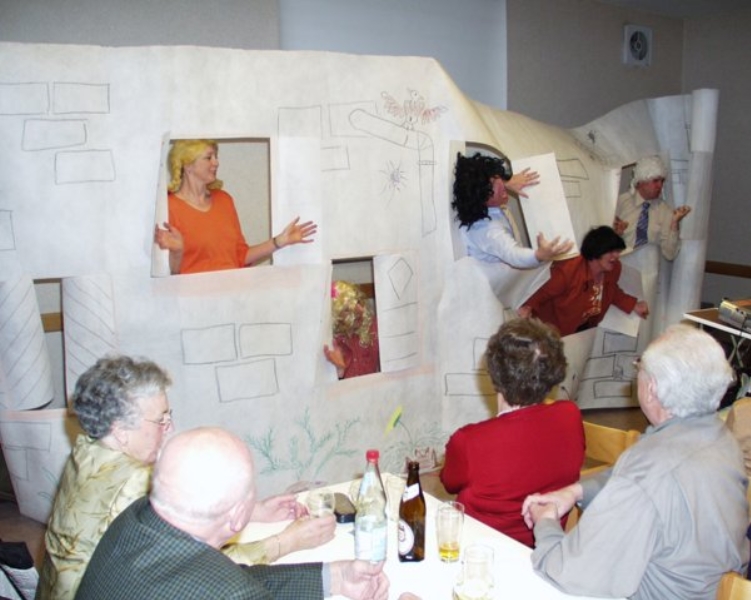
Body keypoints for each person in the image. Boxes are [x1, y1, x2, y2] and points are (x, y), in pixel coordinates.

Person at [37, 356, 333, 600]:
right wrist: (287, 541)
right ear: (120, 430)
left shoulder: (87, 452)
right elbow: (195, 573)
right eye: (161, 420)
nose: (170, 427)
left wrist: (255, 511)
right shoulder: (135, 483)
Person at [522, 324, 748, 599]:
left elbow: (570, 573)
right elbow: (639, 481)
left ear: (651, 388)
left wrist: (545, 524)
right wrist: (576, 491)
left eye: (640, 365)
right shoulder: (721, 438)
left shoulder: (648, 472)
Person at [76, 427, 390, 600]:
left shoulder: (133, 520)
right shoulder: (231, 593)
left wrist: (336, 577)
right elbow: (233, 588)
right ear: (239, 517)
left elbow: (231, 577)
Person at [440, 318, 585, 548]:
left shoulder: (469, 441)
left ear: (494, 373)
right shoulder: (570, 415)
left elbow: (449, 482)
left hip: (481, 553)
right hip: (543, 547)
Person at [154, 139, 317, 275]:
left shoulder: (224, 200)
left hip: (233, 296)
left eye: (216, 156)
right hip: (192, 300)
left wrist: (279, 241)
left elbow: (240, 257)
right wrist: (177, 253)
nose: (216, 162)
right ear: (188, 165)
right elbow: (165, 276)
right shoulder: (168, 208)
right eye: (209, 157)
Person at [518, 226, 649, 336]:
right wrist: (528, 307)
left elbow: (611, 290)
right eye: (610, 251)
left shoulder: (614, 269)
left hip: (584, 328)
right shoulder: (568, 271)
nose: (616, 256)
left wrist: (633, 305)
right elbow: (540, 292)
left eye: (617, 251)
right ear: (597, 250)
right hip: (553, 331)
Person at [452, 152, 573, 268]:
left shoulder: (489, 205)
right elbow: (513, 254)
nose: (501, 184)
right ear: (480, 197)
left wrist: (506, 182)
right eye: (492, 185)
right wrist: (539, 255)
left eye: (496, 178)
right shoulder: (485, 230)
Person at [613, 155, 691, 261]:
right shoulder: (620, 202)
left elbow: (670, 254)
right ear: (641, 181)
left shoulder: (665, 211)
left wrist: (674, 223)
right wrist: (615, 234)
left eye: (662, 181)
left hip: (648, 269)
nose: (660, 185)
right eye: (655, 181)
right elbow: (602, 244)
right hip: (619, 264)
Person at [323, 281, 380, 379]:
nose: (360, 310)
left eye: (358, 302)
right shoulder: (330, 343)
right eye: (347, 309)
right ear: (336, 317)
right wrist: (339, 371)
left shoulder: (372, 328)